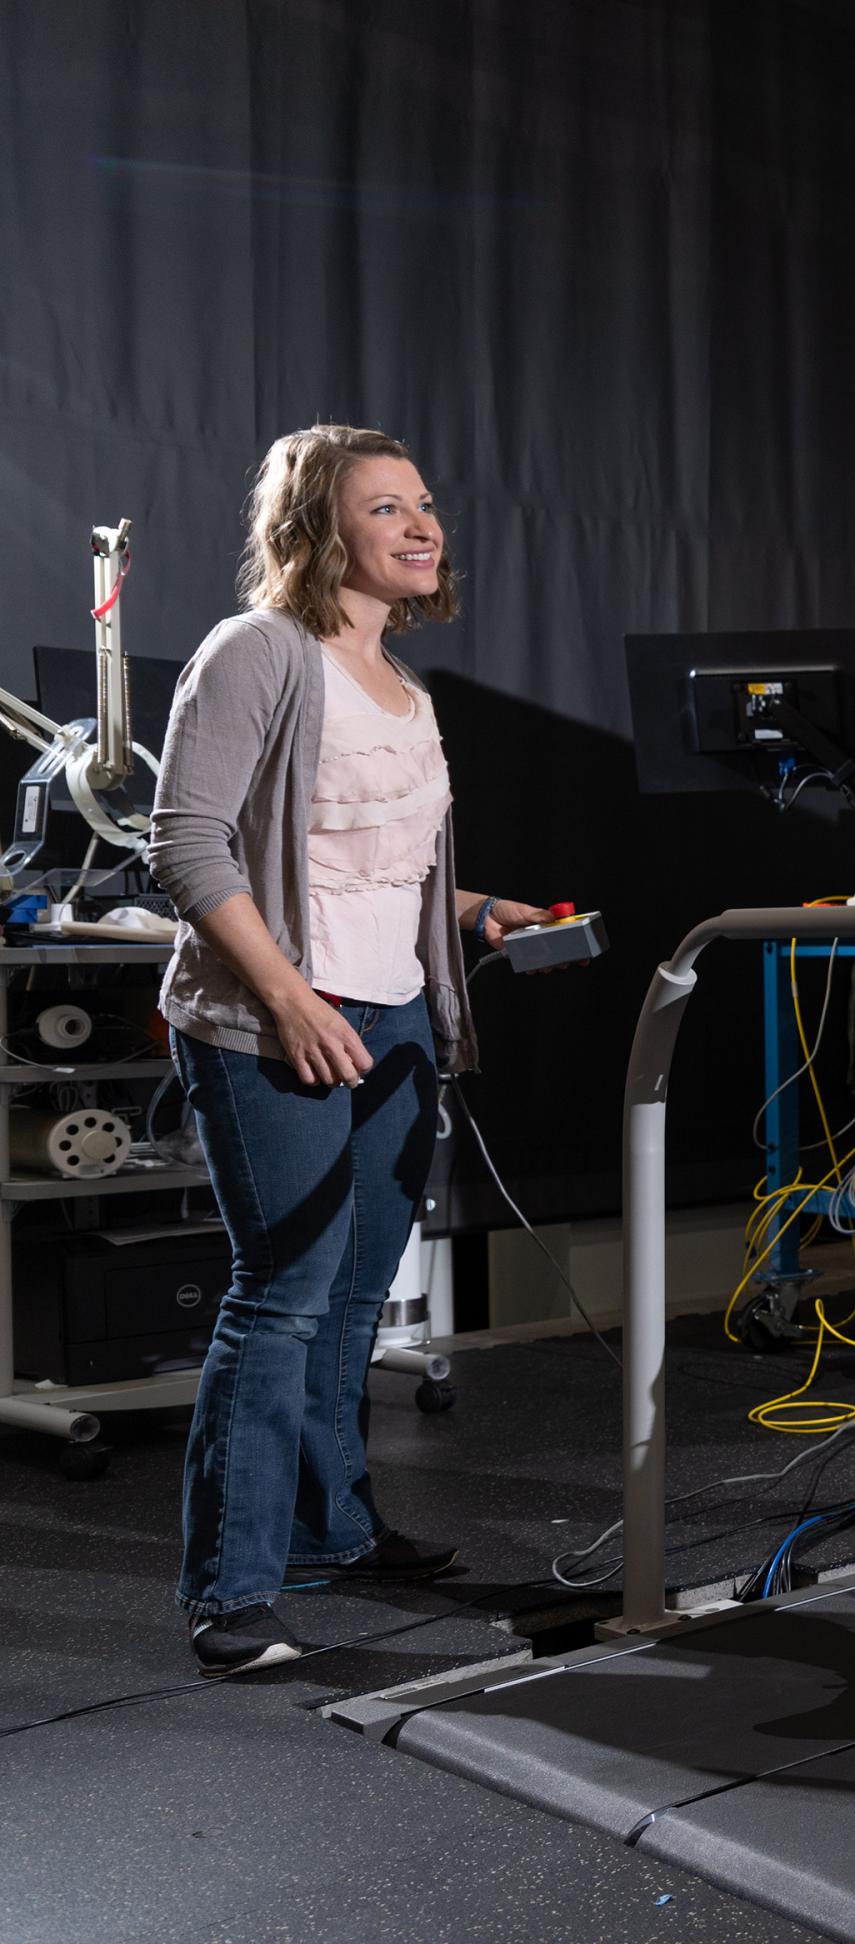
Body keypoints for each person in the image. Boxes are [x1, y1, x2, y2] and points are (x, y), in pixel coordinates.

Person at [146, 424, 556, 1675]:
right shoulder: (259, 654)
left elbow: (380, 865)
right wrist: (286, 998)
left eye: (426, 503)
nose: (424, 525)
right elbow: (184, 843)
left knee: (351, 1302)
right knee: (281, 1296)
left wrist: (480, 915)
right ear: (320, 531)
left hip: (393, 1022)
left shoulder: (408, 692)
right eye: (388, 508)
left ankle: (332, 1530)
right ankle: (231, 1594)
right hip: (277, 1021)